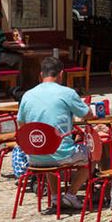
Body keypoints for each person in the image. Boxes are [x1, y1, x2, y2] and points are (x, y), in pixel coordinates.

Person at [16, 56, 91, 210]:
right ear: (61, 74)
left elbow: (22, 125)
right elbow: (88, 115)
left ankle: (56, 197)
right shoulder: (67, 93)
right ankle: (70, 195)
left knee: (50, 147)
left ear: (40, 75)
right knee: (91, 156)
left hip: (34, 156)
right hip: (60, 155)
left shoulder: (27, 95)